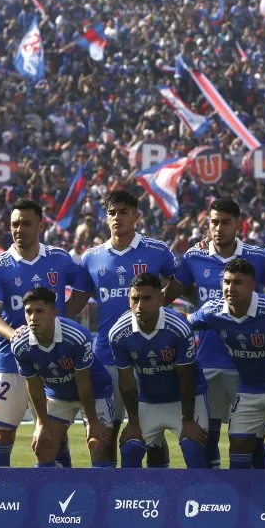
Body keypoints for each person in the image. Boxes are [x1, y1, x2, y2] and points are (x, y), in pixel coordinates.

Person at [0, 199, 92, 468]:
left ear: (41, 226)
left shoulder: (59, 259)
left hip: (53, 362)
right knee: (3, 433)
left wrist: (63, 316)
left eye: (26, 224)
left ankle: (62, 498)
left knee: (55, 435)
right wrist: (13, 335)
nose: (19, 229)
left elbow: (85, 284)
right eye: (14, 224)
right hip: (10, 360)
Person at [77, 190, 180, 467]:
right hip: (106, 358)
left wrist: (159, 303)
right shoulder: (91, 258)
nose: (117, 218)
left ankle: (161, 491)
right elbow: (74, 303)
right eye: (112, 213)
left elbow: (181, 280)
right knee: (103, 436)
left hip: (149, 359)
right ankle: (107, 496)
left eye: (124, 212)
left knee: (153, 436)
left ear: (136, 216)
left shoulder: (157, 250)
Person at [172, 199, 265, 468]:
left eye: (226, 222)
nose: (219, 228)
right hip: (208, 363)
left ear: (238, 224)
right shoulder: (194, 257)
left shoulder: (258, 257)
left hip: (248, 362)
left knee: (252, 438)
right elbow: (171, 292)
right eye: (214, 222)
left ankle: (258, 491)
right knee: (209, 434)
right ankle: (215, 497)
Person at [187, 258, 265, 469]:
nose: (230, 288)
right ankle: (246, 501)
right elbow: (185, 322)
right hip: (249, 389)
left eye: (238, 283)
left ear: (252, 286)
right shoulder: (212, 312)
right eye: (227, 282)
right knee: (238, 451)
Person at [109, 273, 209, 469]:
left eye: (146, 298)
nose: (139, 305)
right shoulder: (118, 333)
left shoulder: (179, 328)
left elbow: (186, 377)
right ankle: (134, 499)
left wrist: (188, 421)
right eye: (134, 299)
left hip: (186, 399)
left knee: (193, 448)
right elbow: (127, 382)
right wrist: (133, 421)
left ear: (160, 299)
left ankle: (201, 498)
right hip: (148, 400)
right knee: (130, 450)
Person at [11, 287, 114, 468]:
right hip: (58, 395)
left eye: (39, 311)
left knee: (97, 445)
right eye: (28, 312)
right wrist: (41, 424)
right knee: (43, 446)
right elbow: (34, 386)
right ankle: (50, 494)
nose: (33, 317)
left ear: (53, 313)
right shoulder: (20, 344)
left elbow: (84, 382)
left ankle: (102, 494)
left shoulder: (76, 336)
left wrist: (92, 422)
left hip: (94, 393)